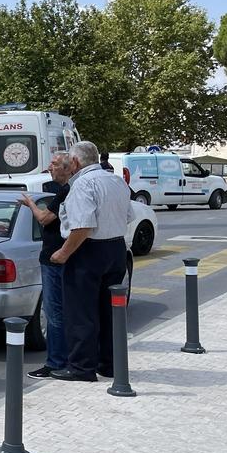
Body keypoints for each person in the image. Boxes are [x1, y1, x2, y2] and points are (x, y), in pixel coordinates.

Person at [50, 141, 131, 381]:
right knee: (110, 311)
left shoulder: (82, 184)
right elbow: (127, 215)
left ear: (75, 162)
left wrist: (63, 253)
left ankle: (82, 368)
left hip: (87, 251)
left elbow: (83, 226)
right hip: (115, 248)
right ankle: (109, 364)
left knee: (81, 313)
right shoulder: (116, 181)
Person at [20, 153, 73, 379]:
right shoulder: (66, 190)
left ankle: (55, 363)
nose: (49, 168)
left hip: (55, 259)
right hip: (61, 257)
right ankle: (66, 358)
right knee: (62, 311)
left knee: (54, 312)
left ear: (68, 168)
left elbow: (43, 219)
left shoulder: (65, 191)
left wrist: (30, 203)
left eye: (54, 165)